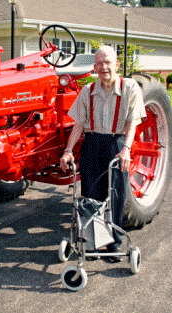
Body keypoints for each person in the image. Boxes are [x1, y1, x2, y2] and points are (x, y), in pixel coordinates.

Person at [60, 45, 146, 262]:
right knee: (91, 194)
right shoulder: (87, 91)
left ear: (116, 64)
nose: (104, 67)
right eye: (99, 63)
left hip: (116, 143)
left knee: (116, 193)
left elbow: (132, 122)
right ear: (94, 67)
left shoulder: (130, 87)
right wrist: (68, 151)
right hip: (92, 143)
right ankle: (95, 242)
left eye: (108, 62)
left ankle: (115, 243)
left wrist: (126, 148)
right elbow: (78, 124)